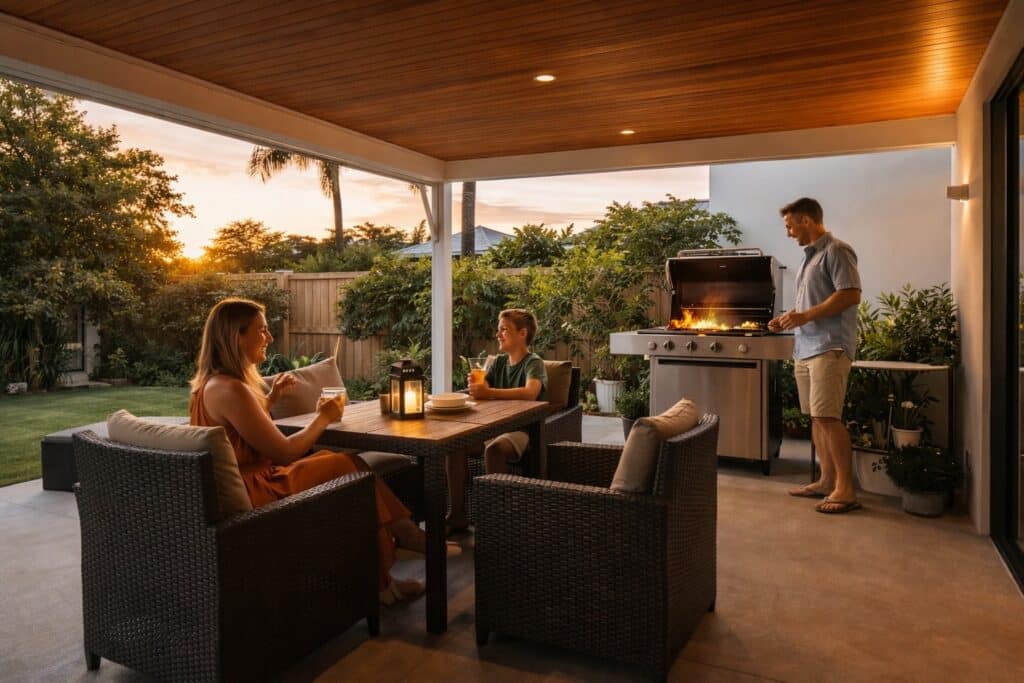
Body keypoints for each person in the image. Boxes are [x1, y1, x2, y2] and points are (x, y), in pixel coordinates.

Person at [189, 297, 428, 604]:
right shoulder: (230, 389)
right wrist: (323, 417)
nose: (269, 338)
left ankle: (390, 569)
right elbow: (286, 452)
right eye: (261, 331)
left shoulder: (209, 386)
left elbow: (239, 432)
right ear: (237, 335)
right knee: (347, 467)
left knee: (340, 463)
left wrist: (270, 399)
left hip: (255, 482)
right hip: (259, 491)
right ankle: (401, 545)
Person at [768, 198, 863, 514]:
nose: (788, 232)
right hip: (806, 348)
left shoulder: (837, 251)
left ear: (806, 220)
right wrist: (787, 319)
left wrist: (805, 316)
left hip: (829, 347)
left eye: (790, 225)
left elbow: (850, 294)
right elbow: (812, 305)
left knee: (828, 417)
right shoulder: (809, 260)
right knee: (816, 418)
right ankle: (825, 481)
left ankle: (845, 490)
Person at [445, 309, 548, 532]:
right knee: (454, 446)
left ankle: (496, 522)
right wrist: (475, 388)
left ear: (522, 333)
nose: (498, 334)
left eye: (504, 329)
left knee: (494, 450)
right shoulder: (498, 362)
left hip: (520, 432)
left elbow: (531, 392)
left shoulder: (534, 363)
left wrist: (489, 392)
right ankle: (457, 515)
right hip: (491, 428)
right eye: (499, 329)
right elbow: (481, 391)